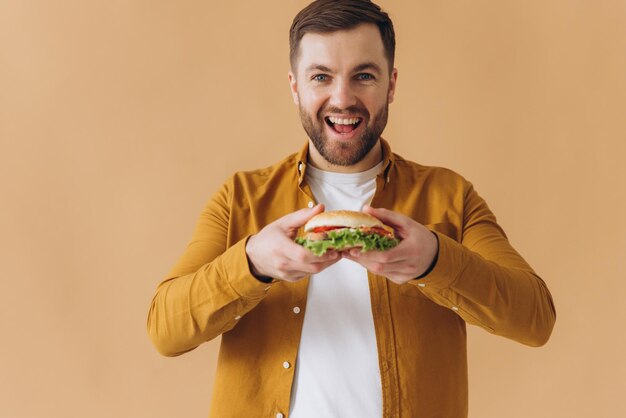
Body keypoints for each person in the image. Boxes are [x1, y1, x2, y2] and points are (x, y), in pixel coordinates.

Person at [147, 0, 556, 417]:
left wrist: (435, 258)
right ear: (295, 87)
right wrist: (252, 263)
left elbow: (535, 319)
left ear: (391, 84)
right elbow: (166, 330)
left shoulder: (451, 196)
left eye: (364, 76)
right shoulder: (240, 198)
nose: (342, 98)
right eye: (321, 76)